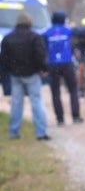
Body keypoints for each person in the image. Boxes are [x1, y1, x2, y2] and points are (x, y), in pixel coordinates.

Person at [0, 11, 49, 140]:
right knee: (36, 101)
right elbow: (40, 56)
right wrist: (44, 68)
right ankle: (41, 133)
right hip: (32, 75)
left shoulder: (8, 38)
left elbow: (3, 59)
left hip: (15, 76)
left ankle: (13, 132)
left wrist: (10, 71)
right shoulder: (34, 37)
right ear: (29, 22)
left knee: (16, 103)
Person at [42, 10, 83, 125]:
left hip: (53, 64)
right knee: (73, 90)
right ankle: (76, 116)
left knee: (55, 92)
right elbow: (81, 31)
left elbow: (43, 47)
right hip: (66, 63)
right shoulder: (68, 30)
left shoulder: (47, 32)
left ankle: (60, 119)